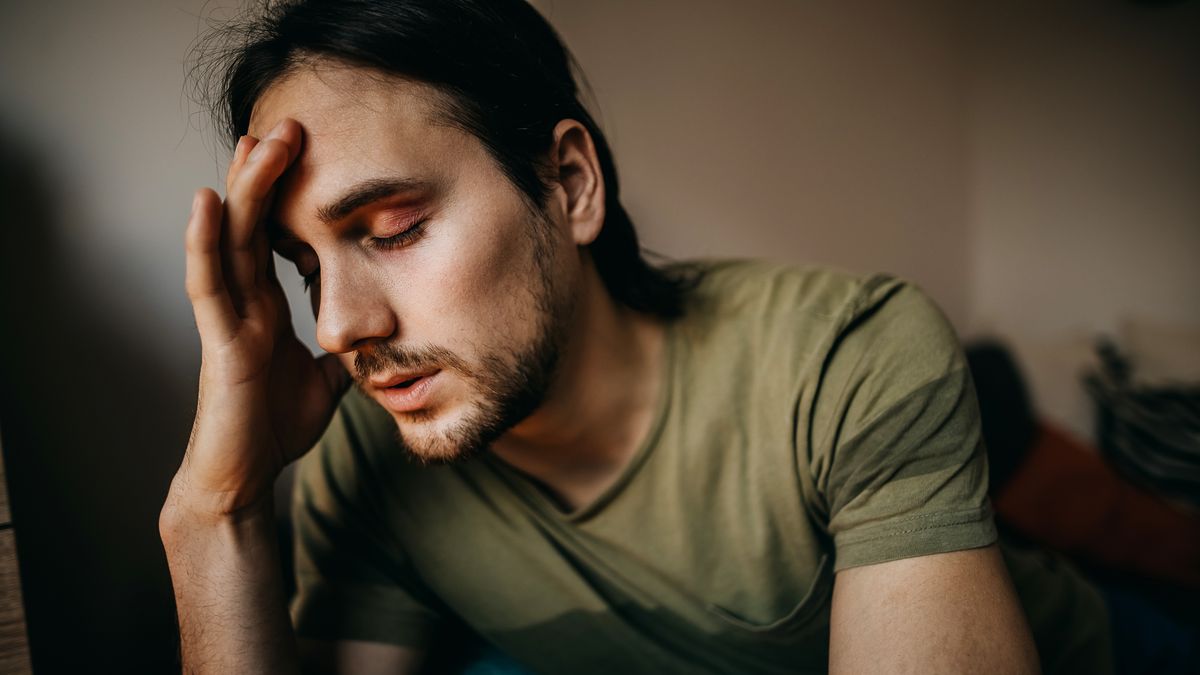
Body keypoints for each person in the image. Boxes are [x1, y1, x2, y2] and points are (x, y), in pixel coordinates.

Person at [159, 1, 1112, 672]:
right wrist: (216, 510)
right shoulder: (367, 456)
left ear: (569, 184)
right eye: (307, 267)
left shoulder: (848, 356)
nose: (339, 327)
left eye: (396, 229)